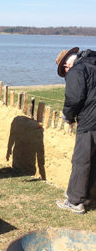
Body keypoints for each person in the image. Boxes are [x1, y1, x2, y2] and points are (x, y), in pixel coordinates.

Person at [55, 47, 96, 214]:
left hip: (89, 122)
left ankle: (75, 200)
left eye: (64, 70)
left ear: (66, 65)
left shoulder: (76, 71)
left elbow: (74, 98)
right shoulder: (93, 65)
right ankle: (87, 195)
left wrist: (68, 116)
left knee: (81, 160)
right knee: (93, 160)